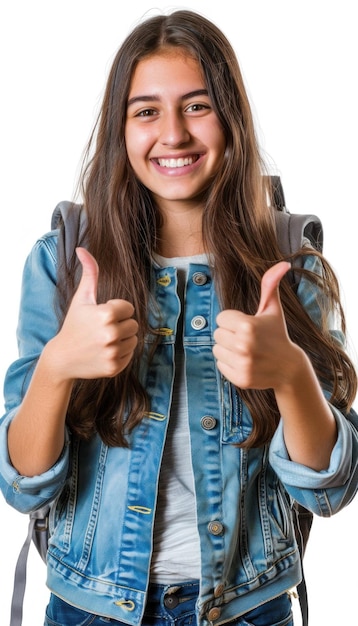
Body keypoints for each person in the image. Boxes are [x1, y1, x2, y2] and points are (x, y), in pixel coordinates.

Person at [1, 8, 357, 626]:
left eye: (197, 105)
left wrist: (292, 376)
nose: (173, 134)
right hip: (90, 609)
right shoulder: (64, 261)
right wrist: (57, 368)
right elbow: (22, 485)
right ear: (121, 128)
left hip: (250, 609)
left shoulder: (290, 264)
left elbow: (328, 491)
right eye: (146, 111)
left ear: (232, 119)